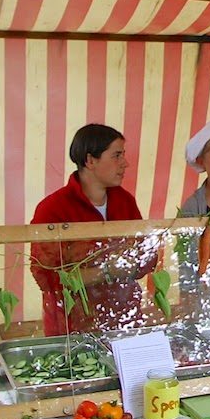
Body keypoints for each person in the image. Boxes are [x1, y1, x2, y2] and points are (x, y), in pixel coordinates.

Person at [30, 124, 155, 335]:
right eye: (116, 155)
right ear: (90, 161)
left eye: (123, 155)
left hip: (124, 322)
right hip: (72, 328)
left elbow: (146, 255)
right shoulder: (53, 209)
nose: (125, 163)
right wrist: (106, 272)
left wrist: (135, 265)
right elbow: (46, 277)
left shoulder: (125, 201)